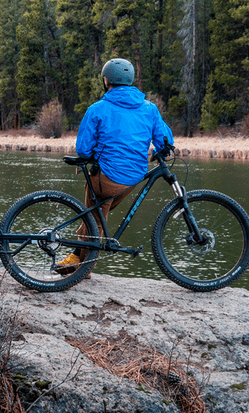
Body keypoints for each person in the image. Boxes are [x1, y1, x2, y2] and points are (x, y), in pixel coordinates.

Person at [56, 57, 174, 275]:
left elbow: (83, 148)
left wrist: (93, 156)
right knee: (97, 215)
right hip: (134, 179)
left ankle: (84, 267)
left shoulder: (97, 109)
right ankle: (76, 257)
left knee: (94, 214)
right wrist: (163, 150)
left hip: (106, 179)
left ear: (106, 80)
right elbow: (165, 140)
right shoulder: (150, 108)